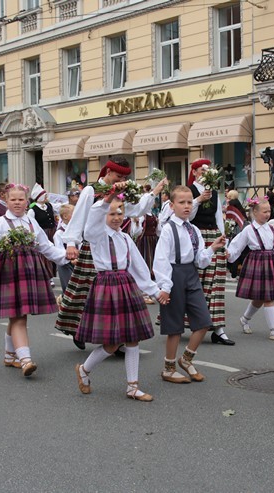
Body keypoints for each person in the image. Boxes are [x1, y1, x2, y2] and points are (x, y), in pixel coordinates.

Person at [56, 159, 165, 348]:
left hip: (112, 244)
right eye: (118, 176)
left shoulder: (120, 193)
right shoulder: (92, 190)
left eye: (124, 177)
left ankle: (117, 338)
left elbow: (134, 210)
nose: (121, 179)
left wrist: (154, 193)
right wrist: (71, 243)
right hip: (93, 245)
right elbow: (80, 214)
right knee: (86, 293)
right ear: (107, 172)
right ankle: (78, 330)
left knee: (113, 293)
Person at [75, 194, 165, 401]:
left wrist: (155, 291)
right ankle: (84, 370)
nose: (116, 217)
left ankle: (132, 387)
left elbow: (139, 267)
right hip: (106, 287)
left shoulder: (125, 238)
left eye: (120, 213)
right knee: (112, 343)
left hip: (126, 286)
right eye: (111, 213)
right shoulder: (96, 234)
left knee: (133, 338)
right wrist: (105, 200)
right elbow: (91, 223)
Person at [0, 184, 69, 376]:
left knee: (18, 315)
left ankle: (9, 355)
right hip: (8, 271)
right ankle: (26, 359)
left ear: (27, 201)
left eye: (21, 199)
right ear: (6, 201)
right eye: (13, 199)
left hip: (29, 270)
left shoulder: (31, 222)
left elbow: (45, 247)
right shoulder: (0, 223)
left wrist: (65, 257)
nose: (17, 203)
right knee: (19, 316)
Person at [153, 186, 226, 383]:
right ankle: (168, 368)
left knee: (204, 321)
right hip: (173, 274)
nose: (186, 206)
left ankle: (186, 359)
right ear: (172, 205)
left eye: (189, 202)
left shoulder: (193, 230)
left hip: (191, 274)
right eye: (182, 202)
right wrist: (165, 287)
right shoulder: (168, 229)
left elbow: (199, 260)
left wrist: (212, 248)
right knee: (174, 326)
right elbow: (160, 260)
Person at [228, 197, 274, 339]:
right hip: (257, 262)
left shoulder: (272, 229)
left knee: (261, 298)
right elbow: (237, 245)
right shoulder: (249, 230)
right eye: (264, 211)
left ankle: (244, 319)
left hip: (270, 263)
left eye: (269, 211)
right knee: (268, 298)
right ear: (255, 212)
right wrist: (229, 254)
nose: (267, 214)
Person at [188, 158, 232, 345]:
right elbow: (186, 215)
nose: (206, 173)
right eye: (203, 170)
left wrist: (224, 242)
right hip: (196, 236)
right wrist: (198, 200)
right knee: (197, 283)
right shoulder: (189, 191)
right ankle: (196, 322)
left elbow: (218, 218)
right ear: (196, 172)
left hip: (213, 236)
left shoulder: (214, 193)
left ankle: (218, 329)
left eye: (209, 170)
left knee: (217, 284)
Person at [53, 204, 76, 297]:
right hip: (65, 264)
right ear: (65, 216)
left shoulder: (76, 231)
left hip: (77, 263)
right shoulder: (59, 233)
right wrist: (70, 259)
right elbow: (59, 251)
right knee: (68, 288)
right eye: (74, 214)